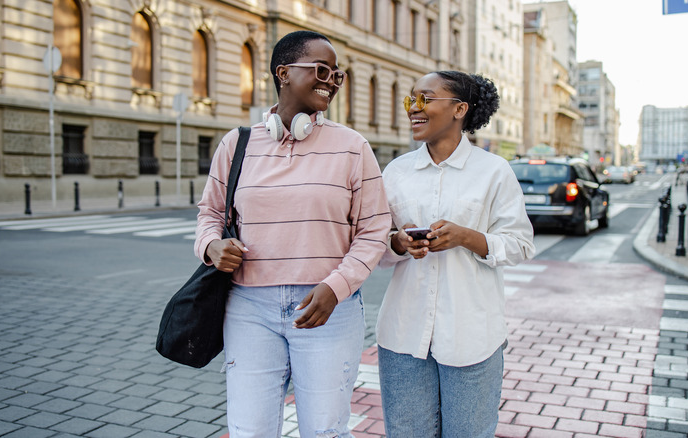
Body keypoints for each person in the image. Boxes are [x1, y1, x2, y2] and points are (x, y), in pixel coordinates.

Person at [194, 30, 391, 438]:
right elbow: (210, 213)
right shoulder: (237, 144)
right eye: (321, 70)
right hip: (248, 308)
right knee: (249, 430)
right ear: (283, 72)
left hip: (327, 310)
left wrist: (336, 287)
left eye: (338, 75)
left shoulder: (353, 147)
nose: (332, 81)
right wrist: (212, 246)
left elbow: (375, 231)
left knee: (324, 431)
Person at [375, 71, 536, 437]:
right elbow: (377, 246)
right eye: (411, 100)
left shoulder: (494, 170)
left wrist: (468, 237)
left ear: (459, 109)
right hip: (403, 334)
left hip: (472, 337)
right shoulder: (395, 172)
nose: (414, 108)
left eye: (426, 99)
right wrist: (398, 243)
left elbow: (521, 243)